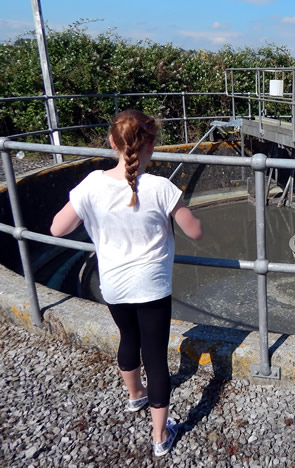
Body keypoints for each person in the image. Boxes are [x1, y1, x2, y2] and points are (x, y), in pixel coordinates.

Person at [50, 109, 203, 457]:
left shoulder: (91, 184)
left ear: (111, 142)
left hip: (114, 286)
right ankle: (161, 436)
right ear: (151, 144)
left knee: (128, 338)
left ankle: (135, 397)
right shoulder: (161, 188)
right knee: (156, 356)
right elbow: (196, 231)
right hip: (151, 287)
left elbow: (58, 229)